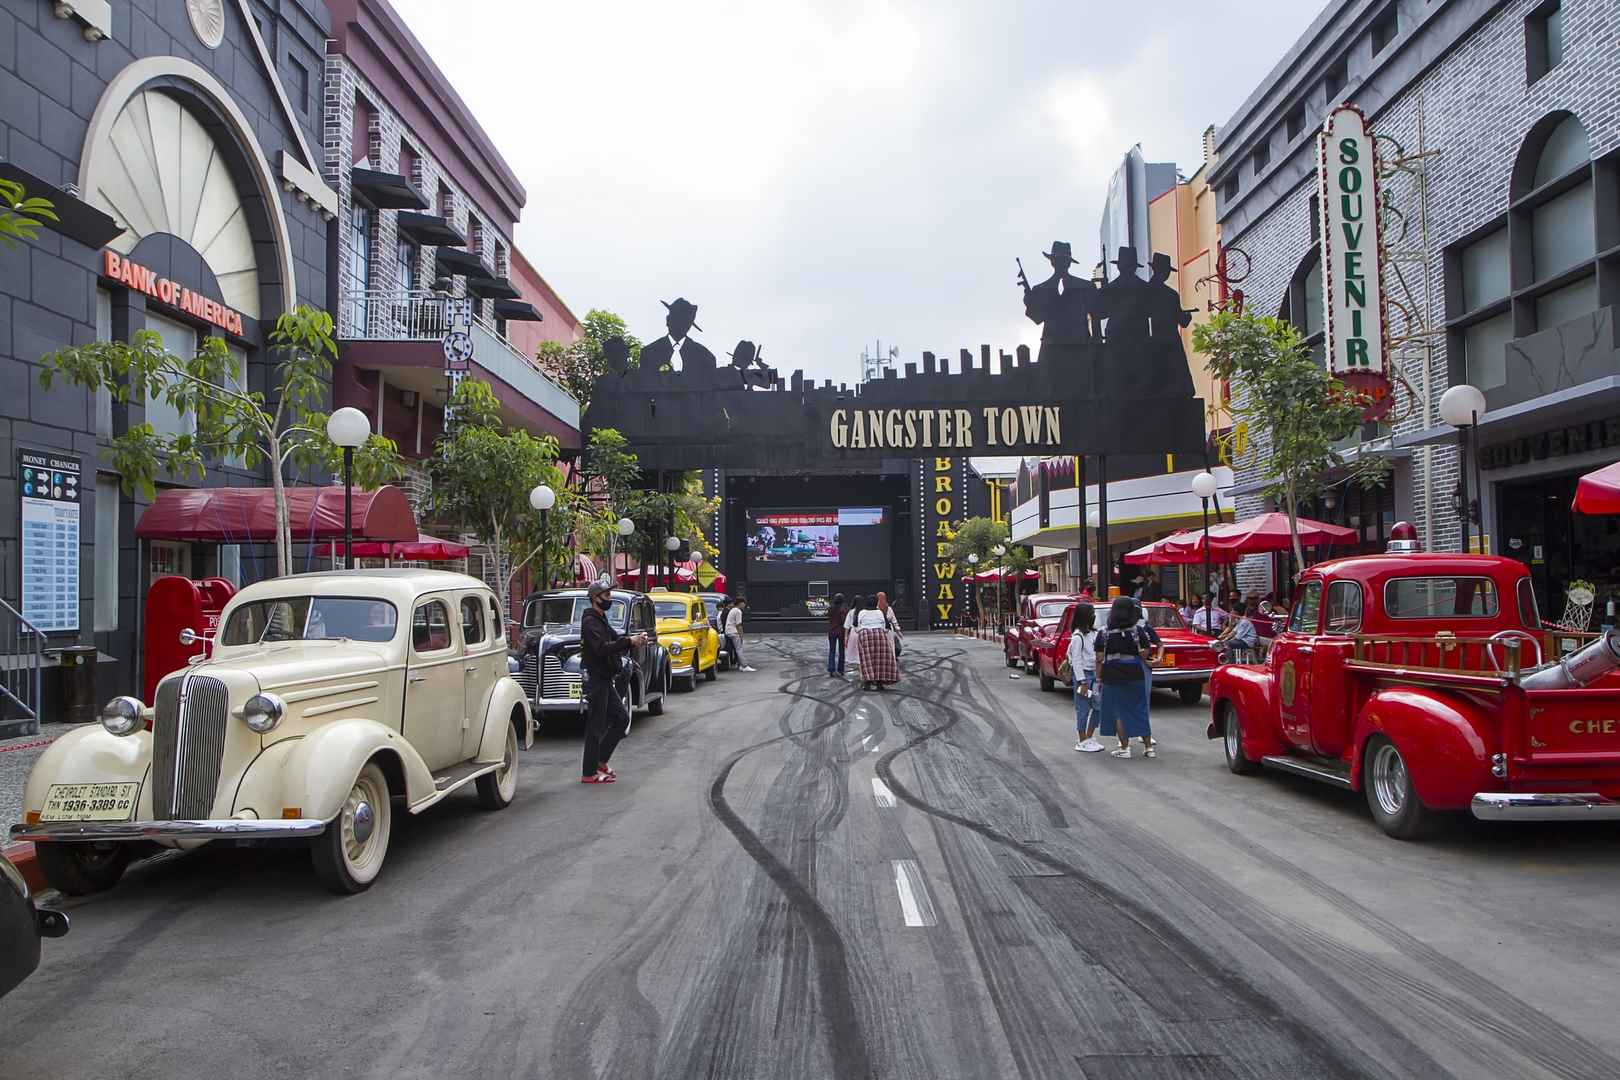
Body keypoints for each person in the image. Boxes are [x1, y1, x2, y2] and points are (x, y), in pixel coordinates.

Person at [579, 579, 646, 784]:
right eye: (606, 595)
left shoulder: (601, 619)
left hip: (605, 678)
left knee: (621, 719)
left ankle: (601, 761)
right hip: (596, 678)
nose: (610, 598)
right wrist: (628, 641)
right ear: (595, 598)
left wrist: (633, 639)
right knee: (596, 726)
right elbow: (601, 648)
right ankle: (589, 773)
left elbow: (616, 640)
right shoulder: (590, 622)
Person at [1094, 596, 1158, 759]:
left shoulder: (1103, 632)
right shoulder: (1137, 630)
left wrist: (1099, 679)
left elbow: (1100, 658)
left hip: (1112, 676)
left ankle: (1124, 747)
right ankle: (1149, 747)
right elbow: (1145, 652)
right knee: (1139, 710)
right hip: (1135, 675)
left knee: (1118, 712)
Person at [1021, 240, 1098, 370]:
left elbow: (1096, 316)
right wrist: (1029, 301)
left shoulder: (1086, 287)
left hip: (1079, 352)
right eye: (1058, 260)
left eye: (1063, 260)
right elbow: (1037, 318)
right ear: (1053, 262)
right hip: (1052, 353)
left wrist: (1095, 346)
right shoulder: (1040, 289)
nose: (1061, 263)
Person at [639, 297, 717, 374]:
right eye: (676, 318)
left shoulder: (705, 357)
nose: (679, 324)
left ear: (689, 325)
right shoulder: (649, 353)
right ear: (668, 320)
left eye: (684, 320)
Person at [1066, 602, 1104, 752]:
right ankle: (1082, 740)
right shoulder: (1077, 637)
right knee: (1083, 709)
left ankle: (1089, 737)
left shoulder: (1094, 634)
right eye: (1092, 613)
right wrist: (1082, 681)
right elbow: (1076, 660)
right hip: (1084, 677)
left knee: (1098, 706)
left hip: (1095, 675)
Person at [853, 600, 899, 690]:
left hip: (865, 634)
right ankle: (879, 684)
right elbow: (887, 626)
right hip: (879, 634)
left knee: (866, 659)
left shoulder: (862, 612)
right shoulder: (879, 612)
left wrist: (859, 631)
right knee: (881, 660)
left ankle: (867, 683)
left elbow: (855, 625)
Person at [725, 596, 756, 672]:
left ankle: (740, 665)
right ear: (740, 603)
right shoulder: (738, 611)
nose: (745, 605)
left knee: (737, 649)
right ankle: (744, 666)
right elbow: (739, 625)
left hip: (728, 631)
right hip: (734, 632)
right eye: (744, 603)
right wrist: (741, 636)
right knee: (739, 649)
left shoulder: (733, 610)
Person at [875, 591, 903, 658]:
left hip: (888, 631)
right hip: (879, 630)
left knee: (890, 645)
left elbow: (894, 620)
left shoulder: (889, 609)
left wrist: (898, 631)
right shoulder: (875, 609)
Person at [826, 593, 848, 677]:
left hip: (832, 630)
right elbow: (843, 621)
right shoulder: (843, 609)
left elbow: (829, 618)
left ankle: (831, 669)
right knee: (841, 651)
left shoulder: (830, 608)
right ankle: (841, 669)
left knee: (832, 650)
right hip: (841, 631)